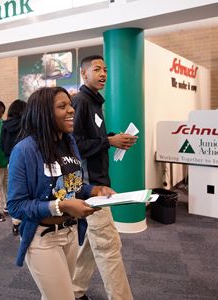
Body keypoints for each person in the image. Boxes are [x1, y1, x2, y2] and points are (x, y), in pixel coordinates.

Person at [7, 86, 115, 300]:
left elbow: (72, 185)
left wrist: (93, 189)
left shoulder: (69, 142)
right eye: (62, 106)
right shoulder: (24, 150)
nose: (71, 110)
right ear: (44, 112)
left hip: (71, 234)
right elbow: (16, 206)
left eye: (70, 104)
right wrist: (61, 206)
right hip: (42, 238)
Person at [72, 55, 136, 300]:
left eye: (105, 69)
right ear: (83, 73)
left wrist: (112, 138)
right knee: (109, 247)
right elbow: (75, 145)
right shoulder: (81, 102)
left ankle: (74, 290)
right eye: (97, 69)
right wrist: (109, 141)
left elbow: (91, 140)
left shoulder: (94, 102)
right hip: (90, 187)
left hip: (99, 184)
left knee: (93, 243)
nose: (103, 74)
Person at [0, 99, 27, 235]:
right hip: (28, 162)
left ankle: (16, 222)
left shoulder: (4, 125)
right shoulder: (27, 125)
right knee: (28, 192)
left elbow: (2, 145)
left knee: (15, 191)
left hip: (12, 161)